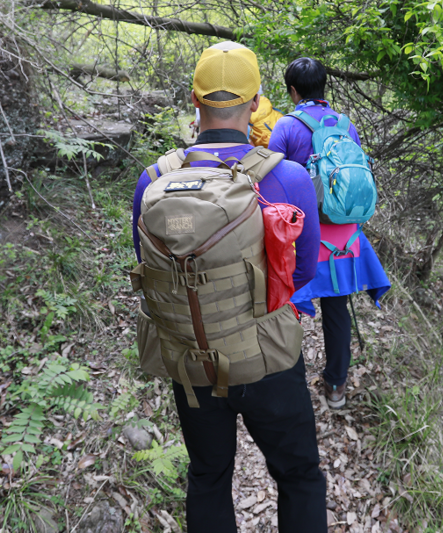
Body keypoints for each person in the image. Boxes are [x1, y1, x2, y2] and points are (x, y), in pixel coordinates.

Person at [131, 42, 327, 532]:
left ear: (194, 101)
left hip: (191, 360)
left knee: (208, 474)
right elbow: (302, 275)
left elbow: (149, 269)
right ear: (257, 98)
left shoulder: (152, 179)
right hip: (268, 363)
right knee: (299, 476)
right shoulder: (288, 178)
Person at [268, 57, 392, 410]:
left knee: (286, 310)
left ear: (293, 91)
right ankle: (336, 386)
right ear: (325, 86)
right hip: (343, 237)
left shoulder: (286, 127)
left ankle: (288, 385)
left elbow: (271, 181)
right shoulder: (345, 124)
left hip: (300, 237)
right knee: (338, 312)